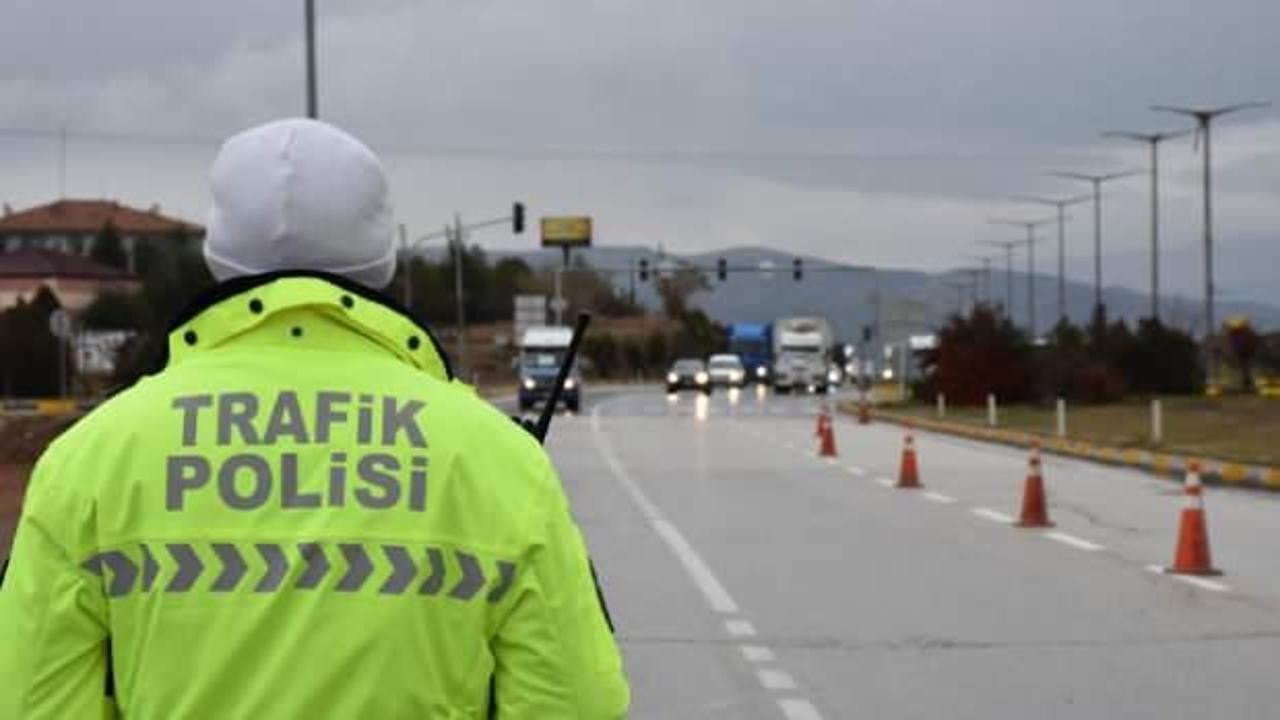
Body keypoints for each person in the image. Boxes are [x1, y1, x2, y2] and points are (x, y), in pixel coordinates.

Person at [0, 118, 629, 718]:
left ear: (218, 254)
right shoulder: (501, 462)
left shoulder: (89, 462)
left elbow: (28, 703)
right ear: (382, 255)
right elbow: (577, 704)